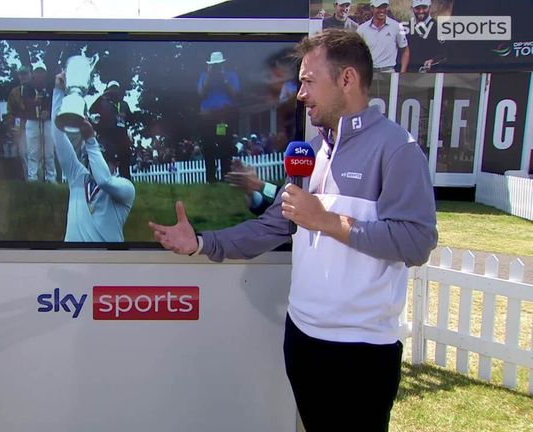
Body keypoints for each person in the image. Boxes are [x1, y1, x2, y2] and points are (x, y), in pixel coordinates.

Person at [149, 29, 437, 431]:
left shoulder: (398, 149)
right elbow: (271, 227)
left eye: (307, 81)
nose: (300, 93)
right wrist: (200, 242)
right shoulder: (312, 154)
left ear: (347, 80)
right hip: (302, 339)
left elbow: (417, 241)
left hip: (361, 353)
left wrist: (328, 222)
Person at [52, 71, 135, 242]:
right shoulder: (78, 177)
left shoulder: (126, 189)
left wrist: (90, 141)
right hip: (72, 263)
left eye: (102, 157)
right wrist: (58, 92)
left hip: (106, 265)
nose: (94, 160)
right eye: (93, 156)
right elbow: (58, 137)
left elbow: (104, 180)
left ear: (115, 164)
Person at [197, 50, 240, 182]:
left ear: (223, 65)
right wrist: (209, 76)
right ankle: (211, 178)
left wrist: (224, 79)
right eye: (213, 65)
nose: (216, 68)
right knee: (208, 146)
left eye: (218, 65)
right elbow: (201, 93)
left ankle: (225, 177)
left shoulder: (231, 76)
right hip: (207, 117)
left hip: (224, 116)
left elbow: (235, 94)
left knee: (225, 145)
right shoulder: (204, 76)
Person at [90, 80, 134, 180]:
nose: (114, 92)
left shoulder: (124, 104)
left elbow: (131, 119)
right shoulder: (102, 102)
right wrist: (102, 97)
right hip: (107, 137)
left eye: (116, 89)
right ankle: (105, 184)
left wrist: (125, 117)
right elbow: (91, 111)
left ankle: (126, 186)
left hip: (122, 137)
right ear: (107, 90)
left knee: (124, 165)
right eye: (111, 89)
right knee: (107, 163)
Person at [23, 65, 56, 182]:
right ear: (33, 74)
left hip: (47, 122)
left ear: (45, 74)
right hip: (32, 121)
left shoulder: (50, 87)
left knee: (49, 152)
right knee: (33, 152)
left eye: (42, 72)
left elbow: (55, 103)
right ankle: (33, 178)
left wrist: (48, 111)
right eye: (37, 72)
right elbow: (25, 102)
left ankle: (51, 178)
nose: (39, 75)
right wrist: (34, 102)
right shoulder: (27, 87)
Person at [357, 0, 410, 73]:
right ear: (372, 8)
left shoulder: (396, 26)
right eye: (378, 7)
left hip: (389, 71)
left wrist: (402, 72)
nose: (382, 10)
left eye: (384, 7)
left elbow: (405, 50)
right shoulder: (362, 29)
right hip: (369, 72)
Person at [406, 0, 447, 73]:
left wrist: (432, 60)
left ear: (429, 7)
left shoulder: (438, 27)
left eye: (424, 8)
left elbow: (444, 53)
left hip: (431, 73)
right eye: (417, 8)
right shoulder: (408, 26)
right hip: (410, 72)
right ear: (413, 9)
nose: (421, 11)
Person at [7, 65, 31, 163]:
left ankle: (40, 176)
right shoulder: (14, 92)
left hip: (35, 125)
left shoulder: (36, 89)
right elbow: (10, 111)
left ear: (30, 74)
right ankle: (29, 178)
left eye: (25, 74)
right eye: (21, 74)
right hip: (20, 127)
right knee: (23, 154)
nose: (23, 76)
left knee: (35, 154)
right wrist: (11, 127)